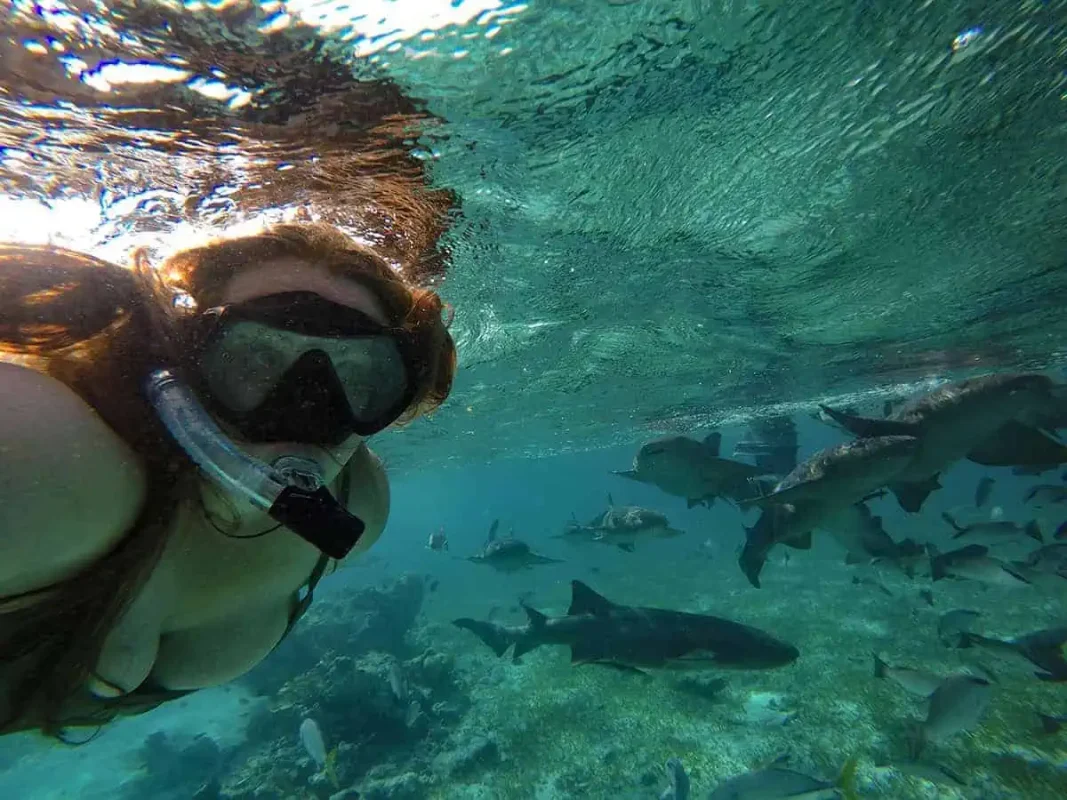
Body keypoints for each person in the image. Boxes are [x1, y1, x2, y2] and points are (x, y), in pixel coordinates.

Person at [0, 222, 456, 737]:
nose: (306, 409)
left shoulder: (361, 505)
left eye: (355, 375)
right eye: (255, 359)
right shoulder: (56, 456)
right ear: (181, 364)